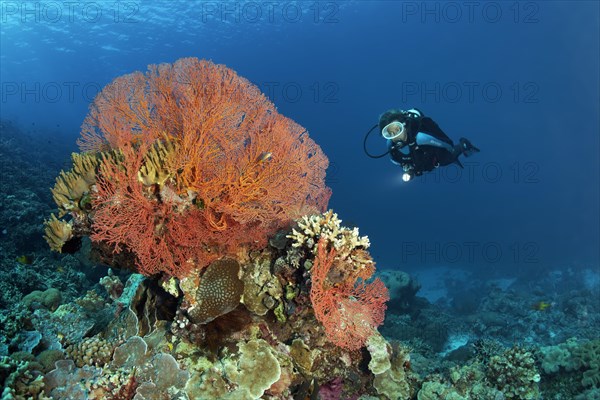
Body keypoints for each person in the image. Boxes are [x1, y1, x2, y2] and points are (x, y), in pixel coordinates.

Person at [378, 108, 480, 181]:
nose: (395, 136)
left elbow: (447, 145)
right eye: (389, 133)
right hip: (422, 164)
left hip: (435, 156)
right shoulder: (390, 145)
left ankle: (464, 145)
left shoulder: (421, 138)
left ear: (404, 126)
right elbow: (395, 160)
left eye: (397, 129)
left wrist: (449, 152)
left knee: (447, 159)